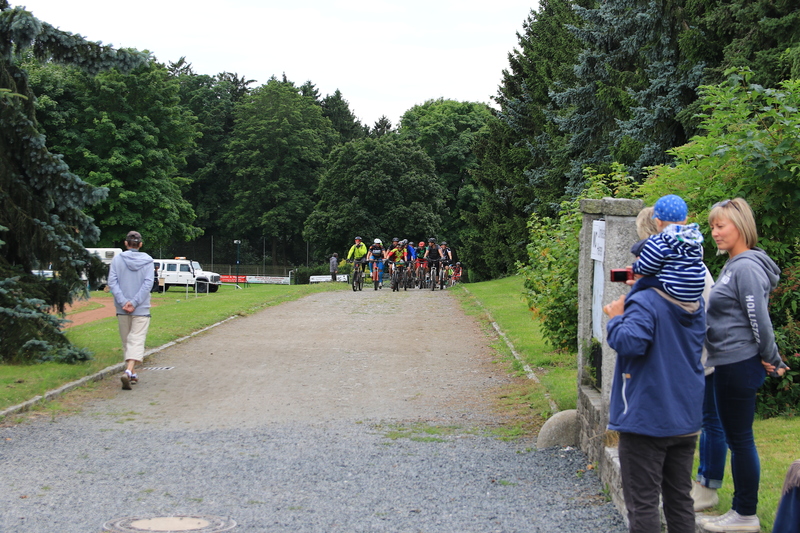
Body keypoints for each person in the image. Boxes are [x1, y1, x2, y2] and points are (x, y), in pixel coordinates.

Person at [700, 198, 789, 533]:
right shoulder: (734, 265)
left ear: (740, 226)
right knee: (738, 439)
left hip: (737, 363)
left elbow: (758, 319)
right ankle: (740, 511)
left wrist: (771, 357)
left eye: (720, 226)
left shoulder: (746, 267)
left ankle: (745, 515)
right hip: (730, 362)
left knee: (739, 440)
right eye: (712, 226)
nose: (715, 232)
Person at [633, 206, 726, 512]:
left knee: (709, 420)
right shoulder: (682, 261)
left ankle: (707, 487)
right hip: (693, 355)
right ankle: (684, 485)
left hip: (700, 355)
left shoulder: (679, 267)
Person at [603, 259, 706, 533]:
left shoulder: (645, 301)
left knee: (643, 503)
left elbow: (630, 342)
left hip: (647, 416)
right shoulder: (693, 300)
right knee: (679, 499)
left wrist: (616, 318)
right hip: (685, 415)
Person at [631, 194, 706, 302]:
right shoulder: (694, 241)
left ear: (658, 221)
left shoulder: (659, 241)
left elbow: (647, 266)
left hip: (672, 289)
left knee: (641, 283)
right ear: (685, 220)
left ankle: (629, 304)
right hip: (694, 291)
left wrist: (635, 268)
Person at [108, 231, 154, 390]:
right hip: (141, 308)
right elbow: (148, 284)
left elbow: (112, 282)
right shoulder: (148, 261)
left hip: (122, 308)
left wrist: (124, 302)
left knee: (126, 340)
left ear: (126, 243)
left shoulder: (117, 260)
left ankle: (130, 372)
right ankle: (129, 371)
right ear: (140, 244)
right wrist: (134, 302)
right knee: (137, 339)